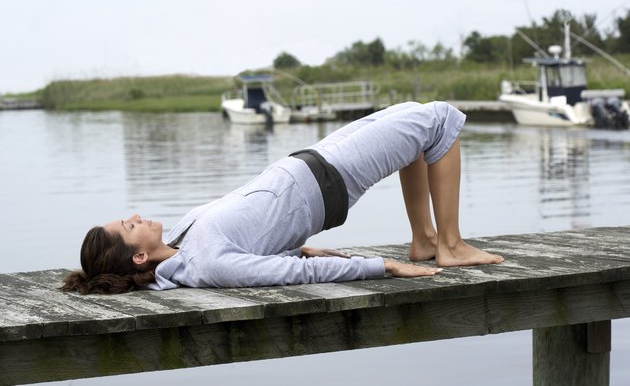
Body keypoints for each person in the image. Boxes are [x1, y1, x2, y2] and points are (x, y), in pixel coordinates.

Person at [62, 101, 503, 294]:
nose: (136, 216)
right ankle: (449, 246)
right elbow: (286, 275)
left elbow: (260, 242)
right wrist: (378, 265)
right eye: (128, 225)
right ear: (137, 257)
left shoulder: (182, 241)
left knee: (414, 119)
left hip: (314, 161)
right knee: (438, 121)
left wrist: (298, 247)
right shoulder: (204, 264)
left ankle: (426, 239)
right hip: (332, 179)